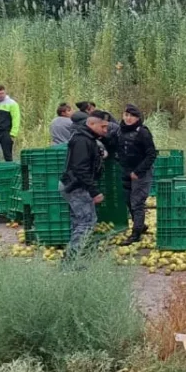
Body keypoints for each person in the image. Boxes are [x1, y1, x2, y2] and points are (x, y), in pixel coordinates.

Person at [59, 111, 110, 262]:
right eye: (103, 126)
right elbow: (80, 169)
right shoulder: (82, 140)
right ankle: (72, 259)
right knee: (86, 222)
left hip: (75, 185)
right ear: (92, 124)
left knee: (78, 221)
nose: (105, 130)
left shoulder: (87, 139)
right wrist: (94, 191)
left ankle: (76, 257)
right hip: (76, 187)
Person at [117, 105, 158, 246]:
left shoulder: (143, 132)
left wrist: (138, 171)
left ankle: (135, 234)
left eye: (131, 116)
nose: (128, 118)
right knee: (128, 201)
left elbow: (151, 154)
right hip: (126, 171)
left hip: (141, 173)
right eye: (126, 115)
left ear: (138, 118)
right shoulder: (119, 130)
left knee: (137, 203)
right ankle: (140, 226)